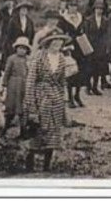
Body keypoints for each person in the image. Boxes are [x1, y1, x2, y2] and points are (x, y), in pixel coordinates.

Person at [21, 30, 69, 173]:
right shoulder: (39, 57)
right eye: (54, 41)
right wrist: (31, 105)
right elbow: (30, 82)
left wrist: (64, 99)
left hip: (56, 100)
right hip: (40, 97)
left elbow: (62, 81)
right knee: (37, 130)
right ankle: (29, 163)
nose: (57, 44)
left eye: (60, 41)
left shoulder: (61, 58)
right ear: (48, 42)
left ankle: (46, 166)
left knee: (54, 133)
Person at [58, 0, 88, 107]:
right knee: (71, 72)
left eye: (75, 6)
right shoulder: (63, 19)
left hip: (80, 47)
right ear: (67, 7)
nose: (73, 8)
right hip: (69, 48)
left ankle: (77, 95)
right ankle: (70, 97)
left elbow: (85, 30)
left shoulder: (81, 17)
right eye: (71, 6)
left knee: (80, 72)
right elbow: (60, 33)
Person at [0, 37, 31, 135]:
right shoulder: (11, 58)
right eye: (19, 48)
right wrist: (3, 85)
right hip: (13, 84)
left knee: (23, 106)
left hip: (24, 84)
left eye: (24, 48)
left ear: (27, 50)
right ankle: (6, 126)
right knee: (10, 105)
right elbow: (7, 72)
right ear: (16, 48)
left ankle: (23, 128)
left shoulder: (29, 60)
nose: (21, 50)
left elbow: (31, 73)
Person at [84, 0, 111, 94]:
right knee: (89, 67)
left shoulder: (106, 21)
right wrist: (86, 47)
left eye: (101, 9)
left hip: (100, 47)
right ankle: (88, 86)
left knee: (97, 68)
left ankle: (95, 87)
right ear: (94, 9)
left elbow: (107, 34)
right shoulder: (88, 20)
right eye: (97, 9)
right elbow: (85, 34)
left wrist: (106, 46)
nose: (99, 10)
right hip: (90, 45)